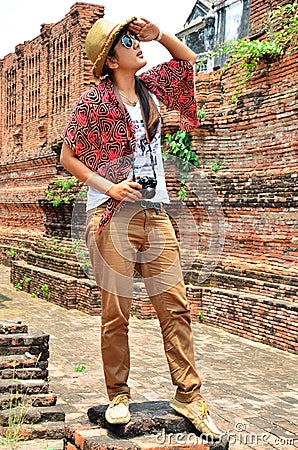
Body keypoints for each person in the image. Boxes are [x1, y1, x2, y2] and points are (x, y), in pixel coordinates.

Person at [60, 15, 224, 440]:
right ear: (111, 60)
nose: (137, 45)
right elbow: (68, 157)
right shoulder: (93, 101)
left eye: (136, 39)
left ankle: (188, 394)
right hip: (112, 216)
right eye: (127, 41)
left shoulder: (150, 91)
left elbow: (188, 63)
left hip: (155, 212)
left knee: (175, 305)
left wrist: (161, 35)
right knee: (117, 312)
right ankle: (118, 395)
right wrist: (109, 185)